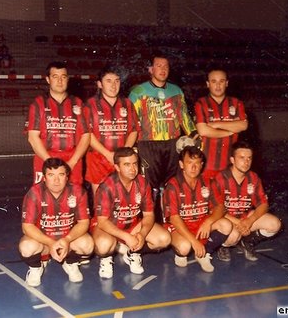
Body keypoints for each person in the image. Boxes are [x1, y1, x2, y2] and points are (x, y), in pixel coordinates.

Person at [128, 52, 198, 222]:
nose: (162, 69)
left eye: (165, 66)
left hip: (172, 144)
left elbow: (184, 117)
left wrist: (194, 134)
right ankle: (150, 223)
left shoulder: (176, 90)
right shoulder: (138, 91)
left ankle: (170, 221)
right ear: (150, 69)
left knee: (171, 185)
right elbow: (131, 121)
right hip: (148, 145)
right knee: (149, 187)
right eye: (158, 65)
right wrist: (132, 146)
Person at [92, 147, 171, 278]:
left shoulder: (143, 182)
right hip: (109, 228)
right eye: (127, 165)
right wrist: (126, 237)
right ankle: (106, 258)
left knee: (164, 239)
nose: (132, 169)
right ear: (117, 167)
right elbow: (102, 222)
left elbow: (149, 215)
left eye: (135, 164)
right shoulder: (107, 186)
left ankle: (132, 253)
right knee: (103, 246)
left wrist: (142, 234)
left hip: (132, 225)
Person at [18, 158, 94, 287]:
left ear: (67, 177)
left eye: (61, 175)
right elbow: (27, 227)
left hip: (67, 241)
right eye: (51, 175)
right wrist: (51, 243)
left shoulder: (78, 192)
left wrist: (67, 240)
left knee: (88, 244)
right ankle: (36, 267)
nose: (56, 180)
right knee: (26, 247)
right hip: (44, 242)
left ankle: (70, 262)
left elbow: (84, 222)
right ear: (44, 178)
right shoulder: (34, 193)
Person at [162, 145, 232, 273]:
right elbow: (174, 218)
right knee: (184, 247)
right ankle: (180, 254)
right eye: (189, 163)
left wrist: (209, 222)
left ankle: (204, 254)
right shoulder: (173, 185)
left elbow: (220, 206)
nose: (194, 167)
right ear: (181, 164)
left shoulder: (208, 182)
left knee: (226, 225)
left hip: (200, 224)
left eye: (197, 163)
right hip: (180, 226)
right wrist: (194, 241)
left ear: (202, 165)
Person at [212, 141, 281, 262]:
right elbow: (215, 209)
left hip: (245, 219)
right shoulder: (221, 178)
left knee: (275, 224)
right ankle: (222, 246)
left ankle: (247, 241)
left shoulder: (253, 177)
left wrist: (249, 221)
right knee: (233, 236)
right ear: (232, 160)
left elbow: (263, 204)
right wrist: (239, 223)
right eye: (242, 158)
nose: (246, 162)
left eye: (249, 158)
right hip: (227, 221)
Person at [25, 61, 90, 185]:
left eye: (63, 77)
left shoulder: (78, 103)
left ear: (67, 79)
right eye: (55, 77)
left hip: (73, 159)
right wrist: (50, 162)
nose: (60, 81)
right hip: (45, 159)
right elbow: (33, 138)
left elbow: (86, 136)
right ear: (48, 80)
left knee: (74, 199)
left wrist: (72, 162)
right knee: (45, 199)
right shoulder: (38, 104)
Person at [84, 65, 139, 196]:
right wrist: (108, 154)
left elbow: (134, 130)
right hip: (98, 159)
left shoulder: (127, 103)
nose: (113, 85)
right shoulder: (90, 104)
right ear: (99, 84)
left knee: (123, 198)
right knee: (100, 201)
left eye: (117, 81)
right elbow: (87, 134)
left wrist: (123, 153)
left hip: (122, 160)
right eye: (108, 81)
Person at [194, 68, 248, 181]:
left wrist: (216, 124)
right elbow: (203, 131)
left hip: (230, 164)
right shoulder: (201, 103)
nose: (218, 85)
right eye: (214, 81)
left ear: (227, 83)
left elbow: (243, 125)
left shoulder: (236, 103)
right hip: (207, 164)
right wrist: (230, 131)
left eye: (221, 81)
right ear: (208, 84)